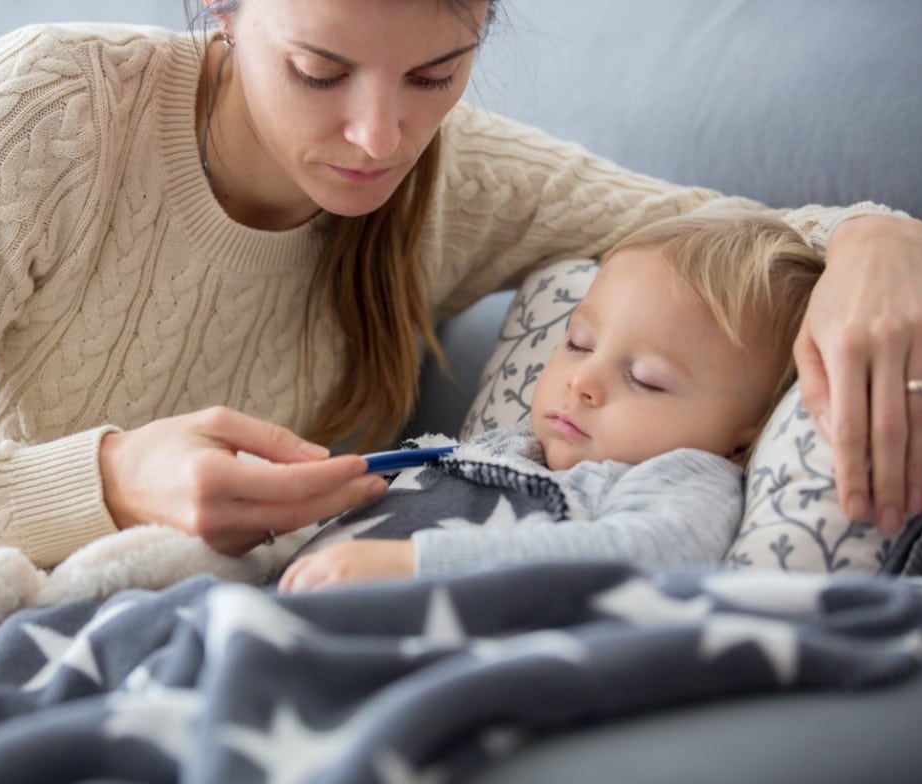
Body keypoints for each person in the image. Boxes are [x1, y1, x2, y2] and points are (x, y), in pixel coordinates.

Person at [0, 0, 922, 573]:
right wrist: (110, 476)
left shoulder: (456, 177)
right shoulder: (55, 107)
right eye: (318, 71)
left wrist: (884, 241)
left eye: (437, 70)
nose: (380, 138)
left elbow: (734, 243)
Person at [277, 211, 823, 591]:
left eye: (647, 379)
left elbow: (647, 554)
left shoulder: (682, 478)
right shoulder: (512, 444)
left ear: (743, 438)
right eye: (579, 343)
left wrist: (420, 565)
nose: (582, 379)